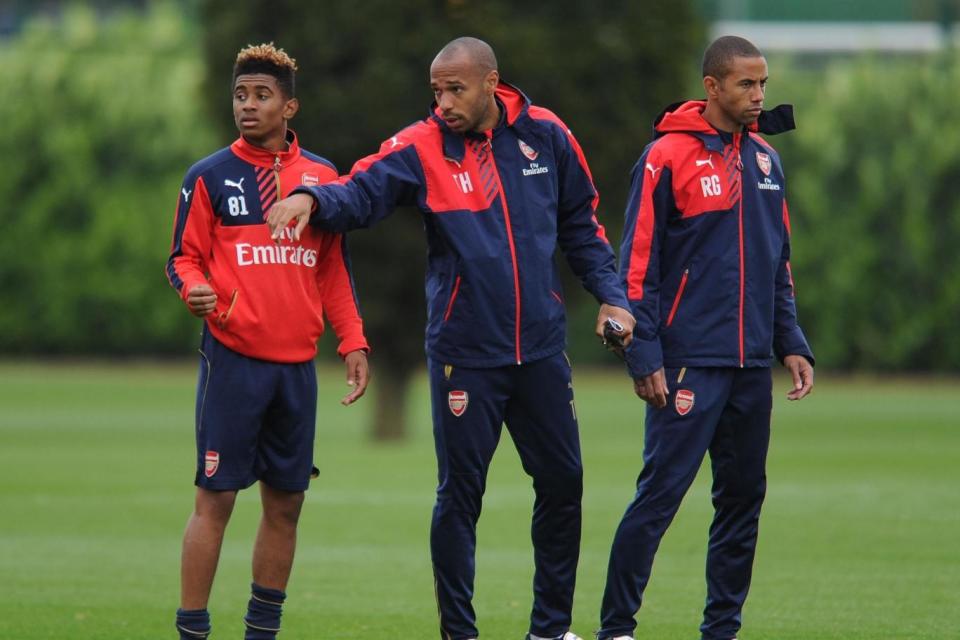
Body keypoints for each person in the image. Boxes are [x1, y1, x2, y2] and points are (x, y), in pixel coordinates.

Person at [266, 36, 635, 640]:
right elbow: (361, 190)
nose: (442, 102)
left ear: (492, 83)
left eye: (455, 89)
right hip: (465, 355)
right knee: (461, 498)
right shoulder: (420, 145)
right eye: (435, 90)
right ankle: (459, 634)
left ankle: (551, 629)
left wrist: (612, 295)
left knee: (564, 484)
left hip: (540, 349)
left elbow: (582, 227)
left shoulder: (547, 136)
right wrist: (311, 196)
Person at [596, 35, 815, 640]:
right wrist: (644, 356)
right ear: (712, 87)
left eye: (763, 83)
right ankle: (616, 629)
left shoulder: (767, 160)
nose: (759, 94)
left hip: (749, 367)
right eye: (747, 84)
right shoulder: (665, 156)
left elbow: (779, 263)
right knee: (658, 501)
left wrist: (790, 341)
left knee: (742, 504)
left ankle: (722, 629)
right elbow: (637, 267)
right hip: (688, 364)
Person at [165, 43, 370, 640]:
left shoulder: (323, 179)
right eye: (240, 94)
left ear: (289, 105)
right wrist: (197, 291)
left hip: (296, 369)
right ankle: (193, 631)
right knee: (217, 500)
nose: (248, 106)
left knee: (285, 505)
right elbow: (183, 259)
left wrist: (353, 340)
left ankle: (262, 634)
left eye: (262, 95)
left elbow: (332, 271)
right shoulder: (207, 177)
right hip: (233, 363)